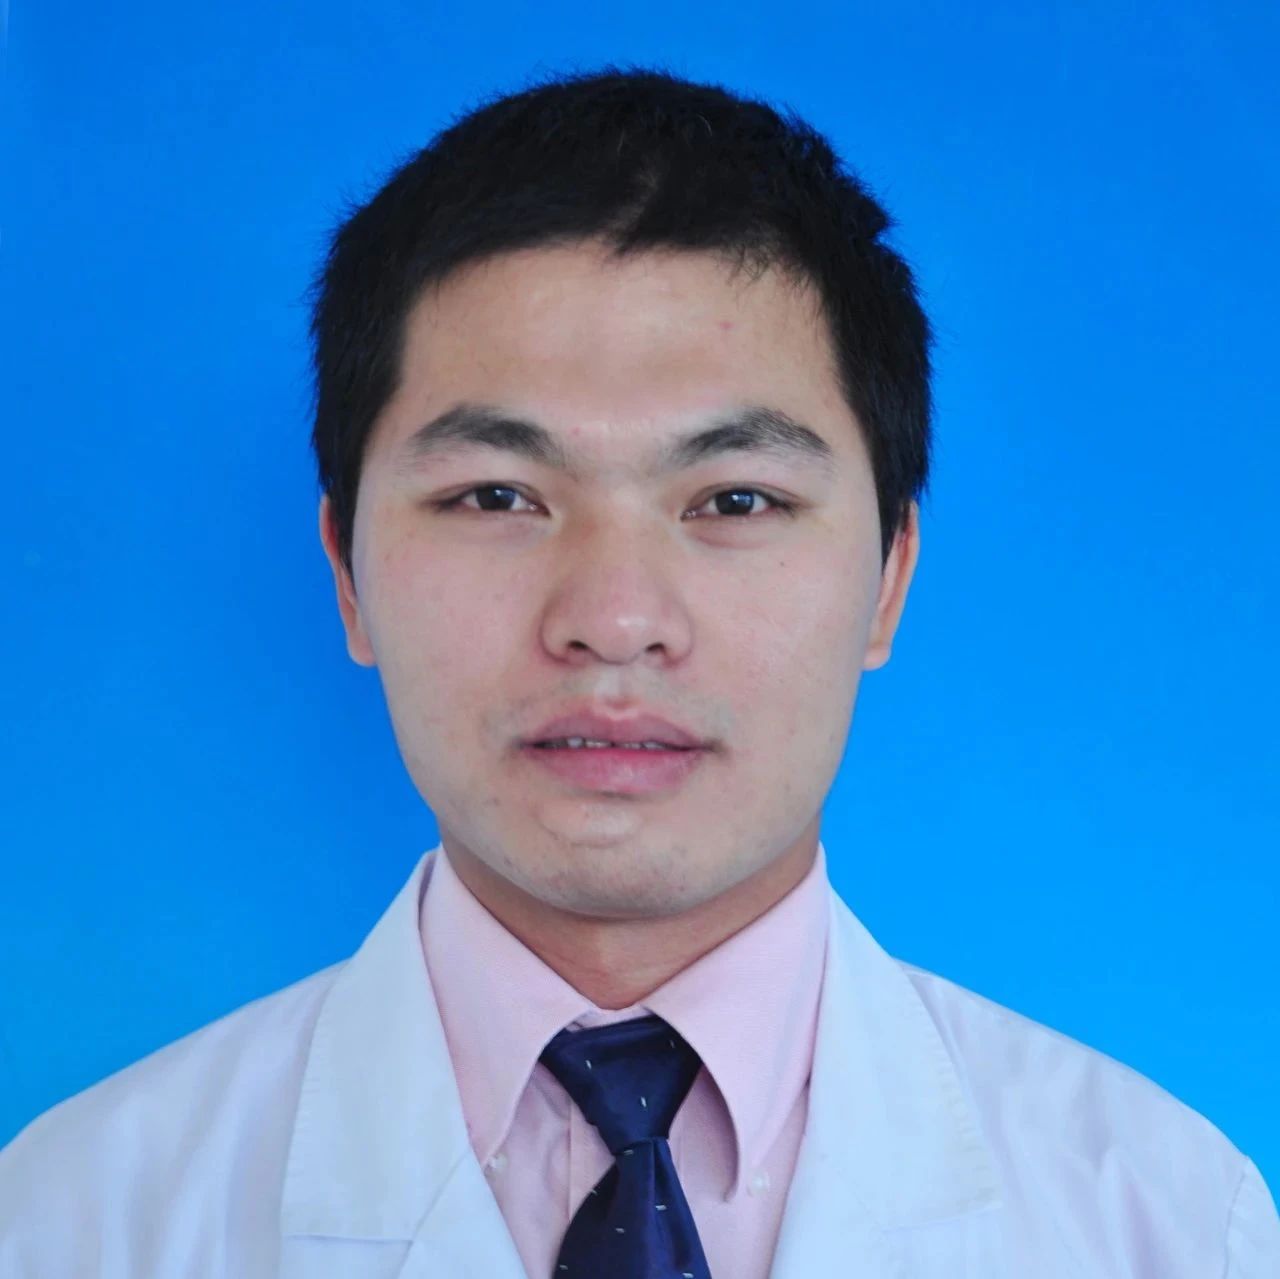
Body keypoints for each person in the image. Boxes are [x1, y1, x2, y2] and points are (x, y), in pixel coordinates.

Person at [1, 64, 1275, 1279]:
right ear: (345, 574)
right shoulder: (67, 1221)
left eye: (733, 498)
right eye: (496, 494)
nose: (614, 621)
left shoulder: (1168, 1225)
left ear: (888, 575)